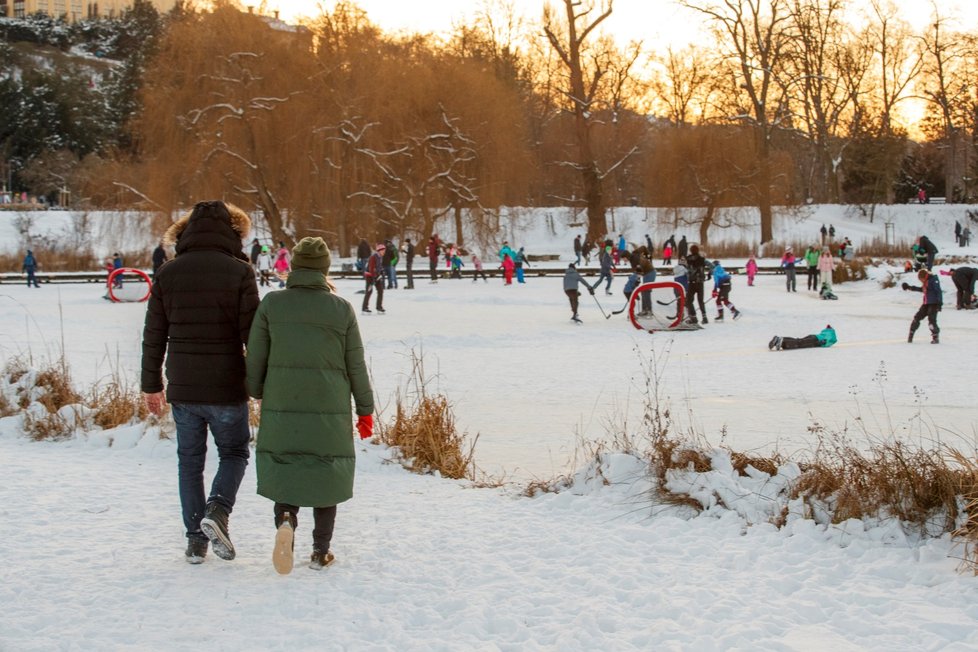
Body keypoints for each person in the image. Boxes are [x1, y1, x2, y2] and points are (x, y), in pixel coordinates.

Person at [245, 236, 374, 574]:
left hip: (282, 400)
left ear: (296, 267)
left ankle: (286, 521)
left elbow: (256, 354)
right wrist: (365, 408)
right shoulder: (341, 308)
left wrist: (256, 390)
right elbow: (355, 364)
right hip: (329, 404)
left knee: (286, 463)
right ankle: (320, 551)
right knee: (325, 469)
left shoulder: (272, 304)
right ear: (324, 269)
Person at [140, 200, 259, 564]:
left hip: (183, 384)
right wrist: (259, 384)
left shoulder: (168, 272)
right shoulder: (239, 272)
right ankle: (218, 511)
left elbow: (154, 334)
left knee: (189, 462)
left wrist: (151, 385)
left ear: (184, 232)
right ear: (233, 233)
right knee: (235, 452)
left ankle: (195, 540)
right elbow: (253, 336)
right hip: (225, 384)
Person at [902, 268, 942, 344]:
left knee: (931, 321)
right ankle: (911, 334)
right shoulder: (926, 282)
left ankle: (935, 337)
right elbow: (922, 289)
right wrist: (909, 287)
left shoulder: (933, 280)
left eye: (921, 279)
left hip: (934, 304)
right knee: (917, 318)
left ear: (925, 276)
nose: (921, 281)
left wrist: (939, 304)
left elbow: (938, 291)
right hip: (926, 303)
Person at [685, 244, 708, 325]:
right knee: (700, 300)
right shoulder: (702, 259)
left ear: (691, 251)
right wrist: (708, 274)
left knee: (689, 300)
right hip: (700, 282)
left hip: (692, 282)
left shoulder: (688, 259)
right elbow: (711, 266)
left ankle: (693, 317)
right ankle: (705, 317)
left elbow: (686, 269)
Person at [769, 325, 837, 351]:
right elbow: (829, 340)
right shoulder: (832, 335)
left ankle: (781, 342)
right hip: (815, 340)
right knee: (799, 343)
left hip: (814, 337)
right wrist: (823, 342)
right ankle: (782, 340)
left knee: (799, 341)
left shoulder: (826, 332)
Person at [362, 243, 386, 313]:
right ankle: (364, 308)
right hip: (370, 276)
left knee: (380, 291)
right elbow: (371, 268)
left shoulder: (380, 257)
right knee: (369, 291)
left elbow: (378, 266)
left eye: (384, 250)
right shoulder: (373, 257)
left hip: (377, 276)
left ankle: (379, 307)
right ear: (379, 251)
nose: (384, 252)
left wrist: (381, 271)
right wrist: (374, 278)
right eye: (383, 250)